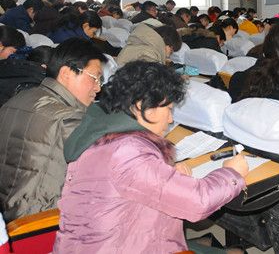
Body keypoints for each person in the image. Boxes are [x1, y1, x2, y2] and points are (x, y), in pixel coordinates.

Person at [53, 61, 248, 253]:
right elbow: (199, 202)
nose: (170, 119)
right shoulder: (128, 152)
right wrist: (231, 173)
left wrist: (166, 175)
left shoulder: (103, 135)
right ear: (141, 106)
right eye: (168, 109)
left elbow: (128, 186)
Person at [0, 39, 105, 220]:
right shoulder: (70, 119)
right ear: (66, 73)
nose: (98, 87)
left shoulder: (16, 99)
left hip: (6, 216)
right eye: (94, 78)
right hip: (40, 224)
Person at [116, 24, 182, 67]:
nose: (169, 55)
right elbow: (153, 80)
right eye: (171, 50)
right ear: (164, 40)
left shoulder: (142, 43)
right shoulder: (149, 53)